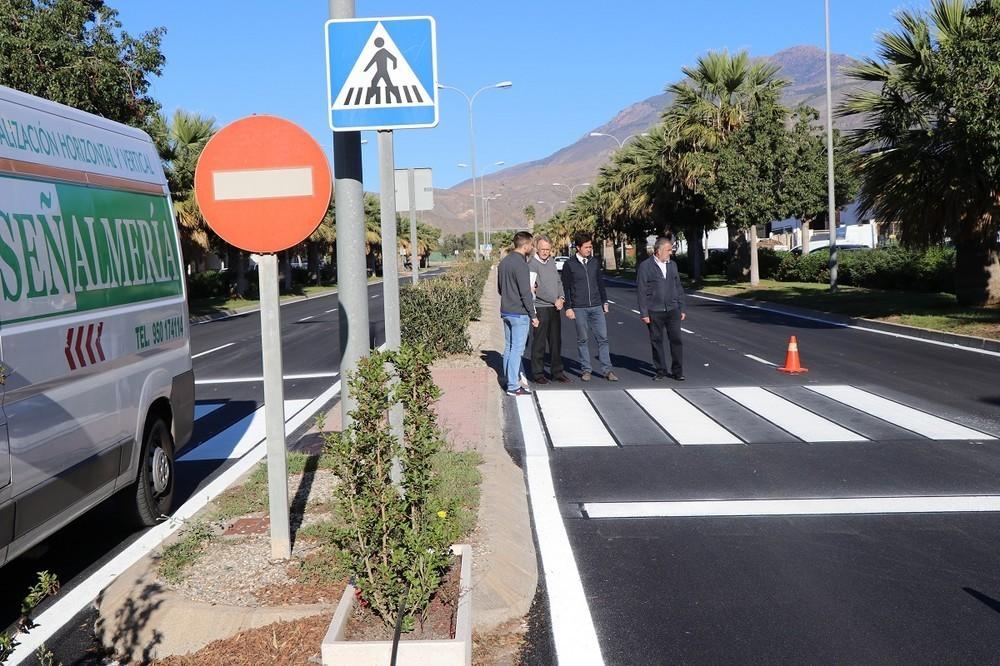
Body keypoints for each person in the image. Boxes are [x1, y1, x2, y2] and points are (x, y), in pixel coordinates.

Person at [561, 231, 618, 382]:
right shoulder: (569, 264)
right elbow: (565, 287)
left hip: (596, 306)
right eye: (586, 247)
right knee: (583, 339)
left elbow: (600, 283)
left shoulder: (594, 262)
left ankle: (607, 371)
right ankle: (586, 370)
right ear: (578, 248)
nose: (589, 249)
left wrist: (604, 301)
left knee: (603, 339)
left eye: (590, 247)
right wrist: (568, 307)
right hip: (579, 308)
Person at [637, 234, 686, 381]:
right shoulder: (645, 266)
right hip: (654, 310)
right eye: (668, 250)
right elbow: (641, 290)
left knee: (676, 340)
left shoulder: (672, 265)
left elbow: (678, 287)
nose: (671, 253)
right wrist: (644, 312)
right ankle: (660, 370)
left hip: (673, 310)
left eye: (671, 250)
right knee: (656, 341)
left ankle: (678, 372)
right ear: (658, 251)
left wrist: (681, 307)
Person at [498, 231, 539, 396]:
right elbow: (525, 293)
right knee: (517, 350)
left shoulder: (504, 262)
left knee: (508, 347)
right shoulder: (521, 264)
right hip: (519, 313)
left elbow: (500, 289)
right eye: (532, 245)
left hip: (506, 311)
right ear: (526, 245)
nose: (532, 248)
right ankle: (513, 386)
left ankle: (509, 379)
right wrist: (533, 315)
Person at [529, 235, 571, 384]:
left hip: (555, 307)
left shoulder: (552, 262)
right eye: (543, 249)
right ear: (537, 249)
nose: (545, 252)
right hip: (541, 308)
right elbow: (537, 288)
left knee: (556, 342)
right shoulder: (532, 264)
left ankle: (557, 372)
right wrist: (554, 300)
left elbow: (558, 282)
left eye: (548, 249)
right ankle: (538, 373)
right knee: (539, 342)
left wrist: (562, 298)